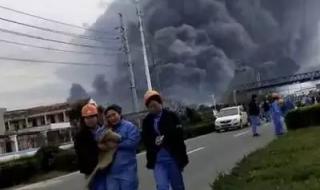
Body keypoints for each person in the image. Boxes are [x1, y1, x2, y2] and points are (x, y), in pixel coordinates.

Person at [142, 90, 189, 190]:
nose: (152, 108)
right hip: (158, 160)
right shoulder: (147, 121)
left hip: (173, 157)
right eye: (149, 107)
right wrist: (154, 141)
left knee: (177, 185)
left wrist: (165, 137)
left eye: (154, 105)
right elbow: (145, 139)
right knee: (161, 186)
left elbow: (179, 135)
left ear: (160, 103)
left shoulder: (171, 116)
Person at [104, 104, 141, 190]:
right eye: (109, 116)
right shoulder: (107, 129)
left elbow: (133, 142)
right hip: (111, 173)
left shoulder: (129, 127)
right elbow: (98, 139)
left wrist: (117, 145)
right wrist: (105, 126)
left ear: (119, 114)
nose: (112, 118)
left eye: (114, 114)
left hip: (127, 171)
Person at [74, 103, 109, 190]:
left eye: (92, 117)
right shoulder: (80, 136)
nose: (90, 120)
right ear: (83, 120)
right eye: (87, 118)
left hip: (108, 169)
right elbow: (82, 154)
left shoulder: (106, 130)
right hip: (92, 171)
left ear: (97, 117)